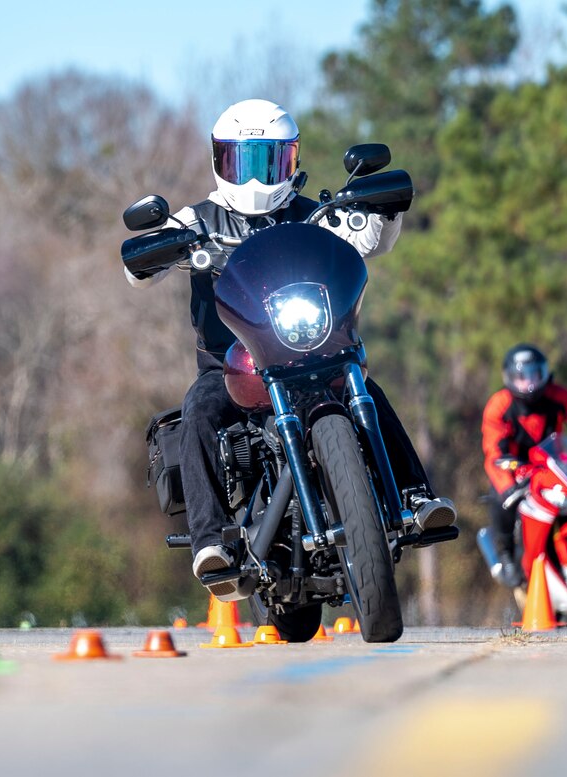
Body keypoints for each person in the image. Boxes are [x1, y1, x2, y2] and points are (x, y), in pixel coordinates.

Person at [125, 98, 456, 600]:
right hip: (233, 365)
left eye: (270, 161)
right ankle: (211, 542)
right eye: (244, 161)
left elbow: (369, 237)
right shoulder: (196, 219)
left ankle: (415, 496)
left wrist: (383, 209)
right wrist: (153, 252)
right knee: (196, 410)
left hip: (312, 352)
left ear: (291, 160)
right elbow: (138, 270)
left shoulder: (316, 214)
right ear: (221, 162)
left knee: (367, 389)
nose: (257, 178)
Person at [481, 343, 567, 587]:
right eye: (522, 377)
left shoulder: (559, 395)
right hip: (517, 469)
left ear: (544, 373)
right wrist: (507, 485)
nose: (529, 383)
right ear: (510, 379)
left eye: (534, 375)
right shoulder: (499, 405)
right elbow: (494, 451)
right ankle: (506, 556)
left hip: (554, 465)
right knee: (500, 500)